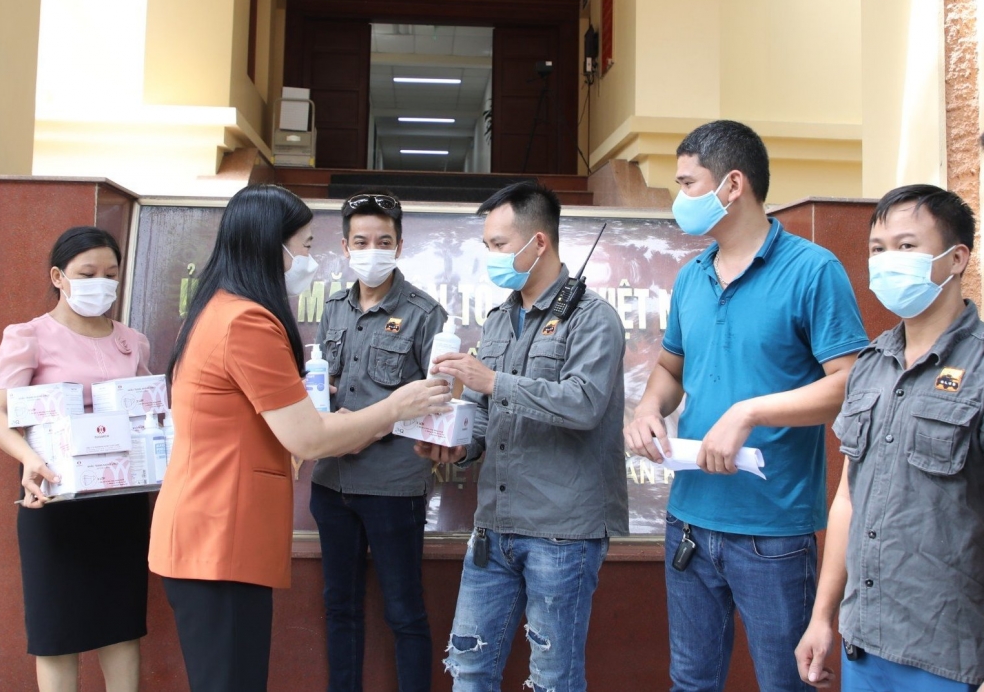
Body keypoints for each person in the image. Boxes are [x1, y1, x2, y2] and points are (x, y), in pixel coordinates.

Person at [148, 185, 451, 692]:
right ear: (274, 245)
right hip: (220, 536)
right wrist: (396, 406)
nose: (311, 259)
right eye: (306, 246)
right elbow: (308, 439)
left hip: (223, 530)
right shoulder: (247, 320)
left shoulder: (220, 309)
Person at [623, 120, 869, 692]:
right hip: (689, 519)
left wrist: (749, 413)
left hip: (772, 530)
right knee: (690, 682)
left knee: (785, 683)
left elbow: (851, 383)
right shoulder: (692, 277)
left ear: (732, 185)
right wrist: (647, 408)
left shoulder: (813, 270)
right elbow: (670, 369)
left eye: (688, 184)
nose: (680, 199)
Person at [420, 180, 628, 692]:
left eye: (499, 244)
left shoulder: (593, 318)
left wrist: (493, 381)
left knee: (553, 679)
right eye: (487, 245)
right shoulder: (498, 320)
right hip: (493, 526)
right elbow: (485, 413)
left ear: (539, 242)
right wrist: (457, 445)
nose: (491, 257)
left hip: (563, 532)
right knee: (469, 667)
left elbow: (583, 403)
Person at [795, 185, 984, 691]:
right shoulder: (871, 365)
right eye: (877, 249)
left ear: (956, 258)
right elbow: (848, 499)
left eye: (906, 246)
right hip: (864, 642)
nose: (887, 261)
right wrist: (822, 617)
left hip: (947, 655)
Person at [0, 226, 151, 692]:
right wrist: (28, 460)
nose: (101, 284)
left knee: (120, 624)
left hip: (121, 499)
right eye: (87, 273)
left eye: (110, 275)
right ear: (58, 277)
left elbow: (147, 410)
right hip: (52, 496)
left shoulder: (133, 341)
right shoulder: (29, 336)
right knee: (57, 630)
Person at [310, 192, 448, 692]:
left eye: (384, 241)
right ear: (346, 247)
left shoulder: (425, 313)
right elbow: (324, 381)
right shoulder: (333, 308)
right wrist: (324, 408)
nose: (373, 250)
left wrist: (364, 426)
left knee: (404, 612)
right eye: (362, 241)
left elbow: (437, 399)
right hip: (331, 483)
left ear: (399, 246)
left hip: (393, 486)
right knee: (339, 607)